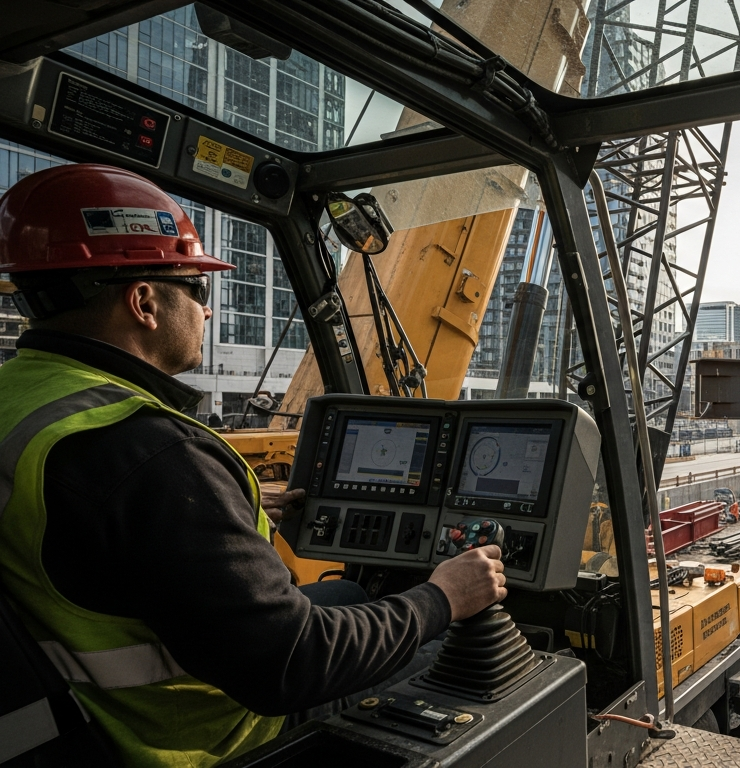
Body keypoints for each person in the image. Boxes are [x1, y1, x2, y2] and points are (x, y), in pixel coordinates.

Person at [0, 164, 508, 766]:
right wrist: (443, 597)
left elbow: (97, 524)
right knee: (463, 652)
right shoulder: (149, 451)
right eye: (199, 289)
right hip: (203, 736)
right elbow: (293, 665)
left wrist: (226, 507)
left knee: (345, 589)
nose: (208, 312)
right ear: (144, 302)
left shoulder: (25, 398)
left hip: (76, 702)